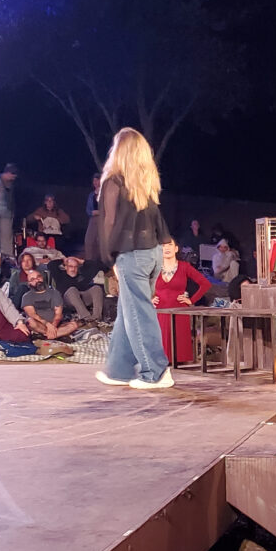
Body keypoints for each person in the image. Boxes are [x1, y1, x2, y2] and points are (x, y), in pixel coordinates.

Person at [96, 127, 173, 390]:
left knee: (139, 314)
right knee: (128, 312)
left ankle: (157, 371)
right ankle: (118, 369)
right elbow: (158, 221)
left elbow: (108, 223)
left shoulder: (114, 183)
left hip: (132, 255)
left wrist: (108, 259)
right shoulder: (146, 183)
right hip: (153, 254)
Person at [153, 238, 211, 362]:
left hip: (179, 310)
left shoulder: (184, 267)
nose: (167, 248)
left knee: (179, 351)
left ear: (176, 249)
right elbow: (140, 284)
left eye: (170, 245)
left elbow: (205, 284)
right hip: (160, 311)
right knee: (160, 348)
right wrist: (149, 299)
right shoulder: (154, 267)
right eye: (163, 246)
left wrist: (192, 300)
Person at [21, 269, 79, 339]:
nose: (37, 280)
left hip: (55, 325)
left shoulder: (54, 293)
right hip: (39, 324)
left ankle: (46, 336)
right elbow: (33, 315)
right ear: (29, 283)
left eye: (38, 277)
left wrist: (53, 326)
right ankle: (56, 335)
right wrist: (47, 324)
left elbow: (58, 314)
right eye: (33, 279)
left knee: (74, 325)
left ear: (42, 277)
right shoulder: (27, 296)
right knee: (30, 321)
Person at [49, 256, 105, 322]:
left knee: (97, 288)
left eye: (75, 267)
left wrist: (81, 261)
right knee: (72, 290)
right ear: (66, 267)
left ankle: (96, 318)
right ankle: (86, 318)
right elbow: (51, 265)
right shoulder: (60, 275)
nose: (73, 269)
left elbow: (98, 266)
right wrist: (64, 260)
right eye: (70, 266)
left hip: (82, 298)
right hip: (67, 300)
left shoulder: (82, 275)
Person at [84, 173, 103, 262]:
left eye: (97, 180)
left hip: (103, 220)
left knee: (100, 241)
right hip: (93, 219)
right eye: (94, 180)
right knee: (89, 240)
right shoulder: (91, 195)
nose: (95, 182)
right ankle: (88, 261)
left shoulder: (105, 194)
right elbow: (88, 209)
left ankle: (100, 262)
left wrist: (100, 212)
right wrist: (92, 213)